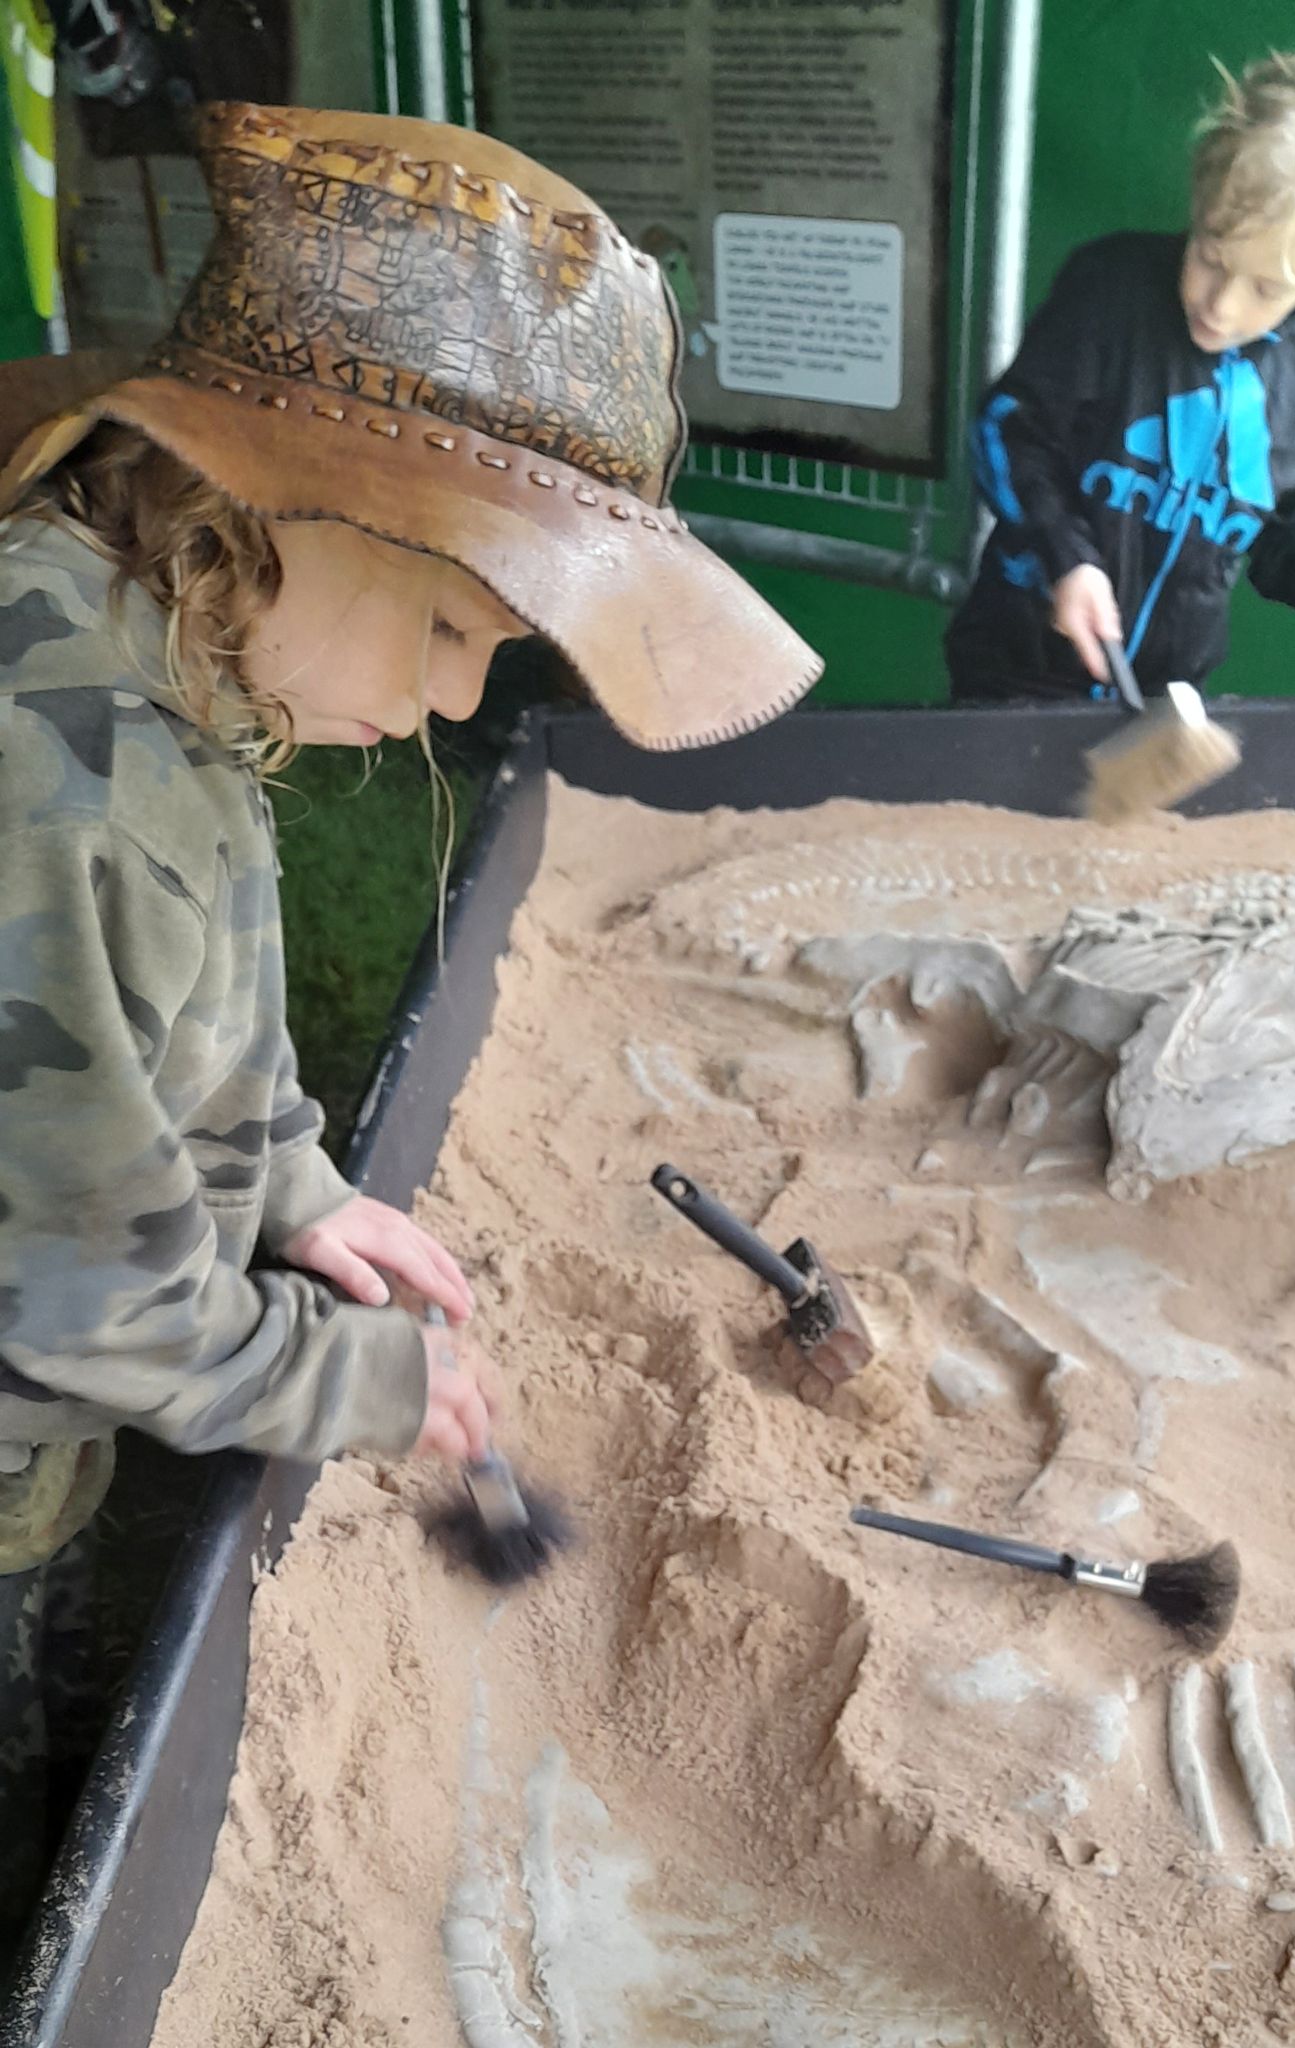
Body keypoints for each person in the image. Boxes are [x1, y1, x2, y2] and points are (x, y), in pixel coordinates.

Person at [0, 100, 820, 1950]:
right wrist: (373, 1380)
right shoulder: (60, 785)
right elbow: (82, 1290)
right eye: (452, 629)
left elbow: (178, 1011)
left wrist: (293, 1180)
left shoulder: (176, 640)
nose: (450, 704)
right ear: (285, 511)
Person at [946, 49, 1295, 704]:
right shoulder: (1108, 294)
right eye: (1212, 256)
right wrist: (1067, 560)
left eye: (1265, 287)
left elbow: (1283, 535)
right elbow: (1007, 433)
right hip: (1020, 666)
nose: (1222, 306)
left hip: (1165, 698)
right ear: (1199, 199)